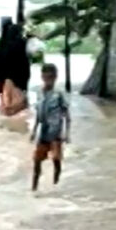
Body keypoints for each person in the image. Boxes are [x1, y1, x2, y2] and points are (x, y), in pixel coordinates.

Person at [30, 63, 70, 191]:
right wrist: (34, 130)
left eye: (50, 78)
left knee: (56, 159)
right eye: (45, 77)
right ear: (42, 77)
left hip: (56, 132)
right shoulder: (39, 93)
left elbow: (67, 116)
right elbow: (38, 113)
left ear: (55, 78)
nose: (48, 80)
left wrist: (66, 134)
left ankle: (56, 184)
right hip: (43, 132)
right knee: (37, 160)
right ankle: (34, 187)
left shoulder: (59, 94)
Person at [0, 20, 31, 116]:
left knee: (6, 103)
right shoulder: (21, 43)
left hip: (6, 78)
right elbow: (25, 61)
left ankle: (8, 121)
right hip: (19, 78)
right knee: (21, 103)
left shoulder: (2, 45)